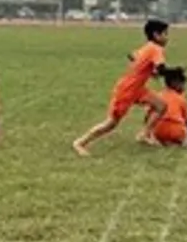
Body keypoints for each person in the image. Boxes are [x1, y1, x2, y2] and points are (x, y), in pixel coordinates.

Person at [72, 18, 171, 157]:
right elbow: (162, 70)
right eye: (165, 34)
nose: (167, 38)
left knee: (161, 106)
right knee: (111, 123)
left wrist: (150, 71)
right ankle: (80, 143)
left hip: (138, 88)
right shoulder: (156, 49)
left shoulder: (148, 46)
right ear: (156, 35)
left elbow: (132, 56)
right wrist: (174, 72)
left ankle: (144, 134)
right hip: (127, 90)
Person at [145, 66, 187, 147]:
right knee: (185, 136)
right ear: (175, 83)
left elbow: (148, 116)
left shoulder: (158, 96)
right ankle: (175, 142)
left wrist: (147, 131)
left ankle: (163, 141)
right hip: (175, 131)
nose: (184, 88)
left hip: (158, 131)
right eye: (182, 84)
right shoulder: (181, 99)